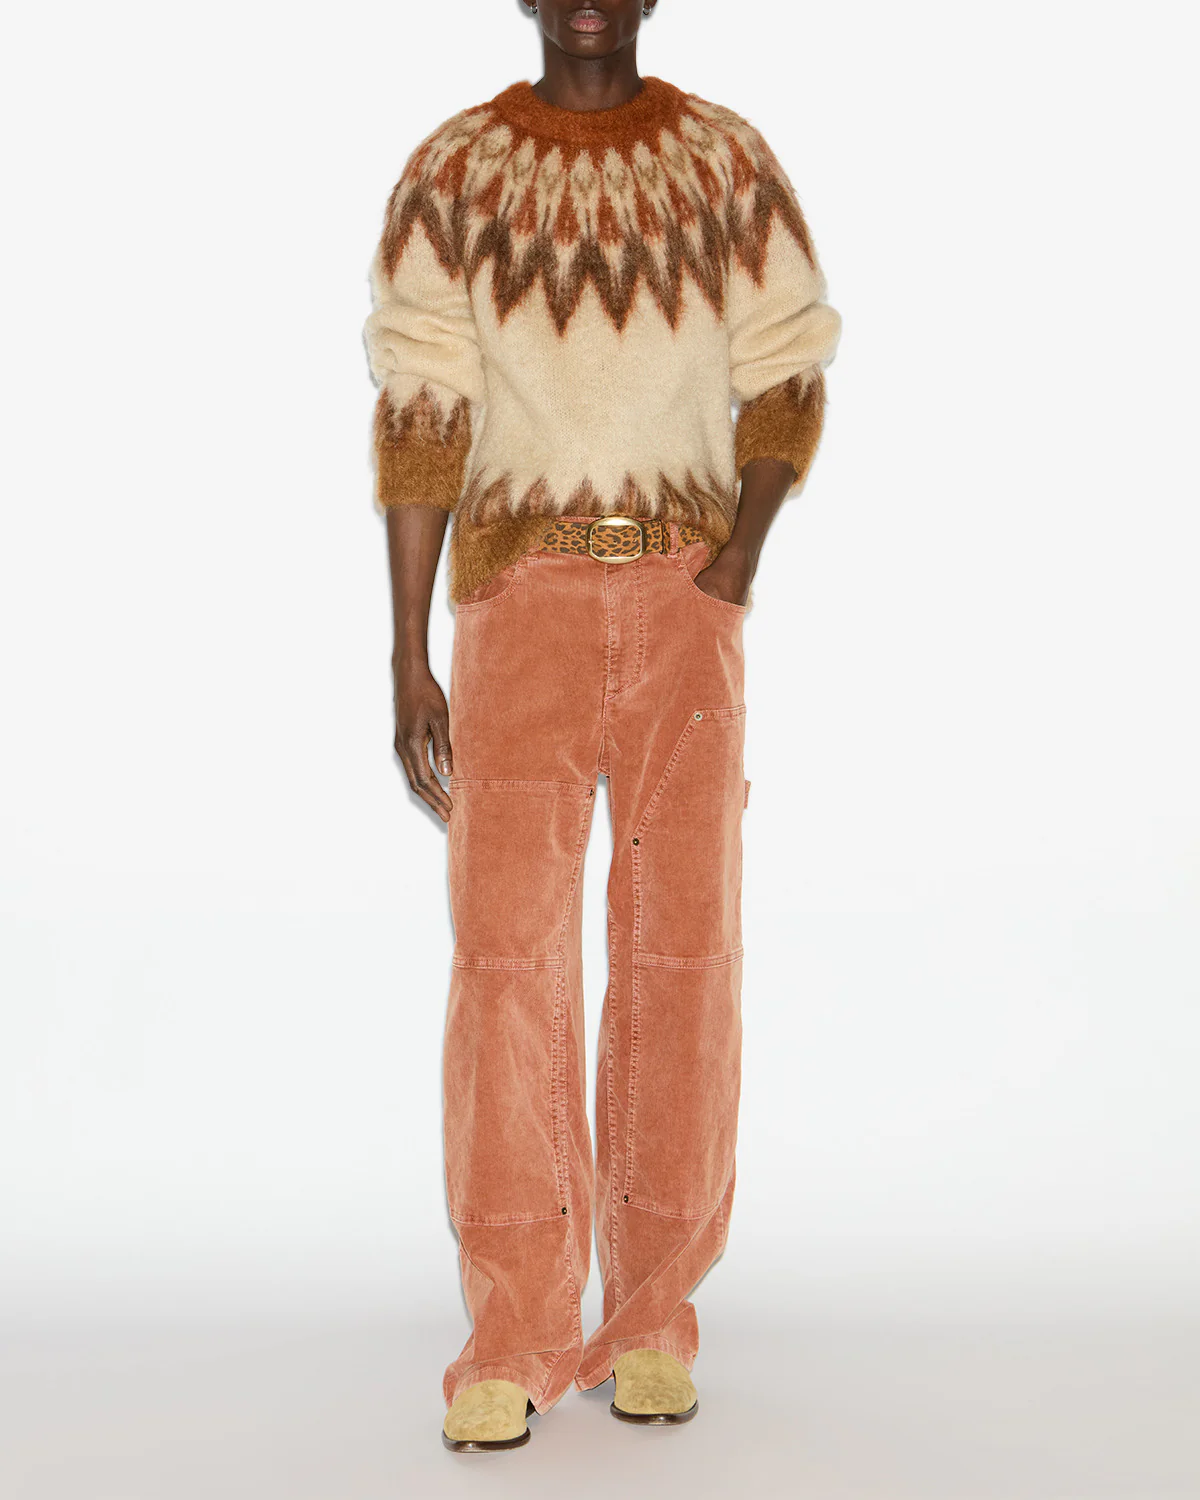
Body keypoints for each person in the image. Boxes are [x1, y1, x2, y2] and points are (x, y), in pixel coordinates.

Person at [363, 0, 840, 1453]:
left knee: (681, 950)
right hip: (518, 609)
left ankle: (649, 1319)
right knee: (507, 956)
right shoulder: (456, 175)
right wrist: (409, 651)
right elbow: (421, 407)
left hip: (688, 595)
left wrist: (738, 560)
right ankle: (513, 1328)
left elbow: (789, 363)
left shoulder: (723, 164)